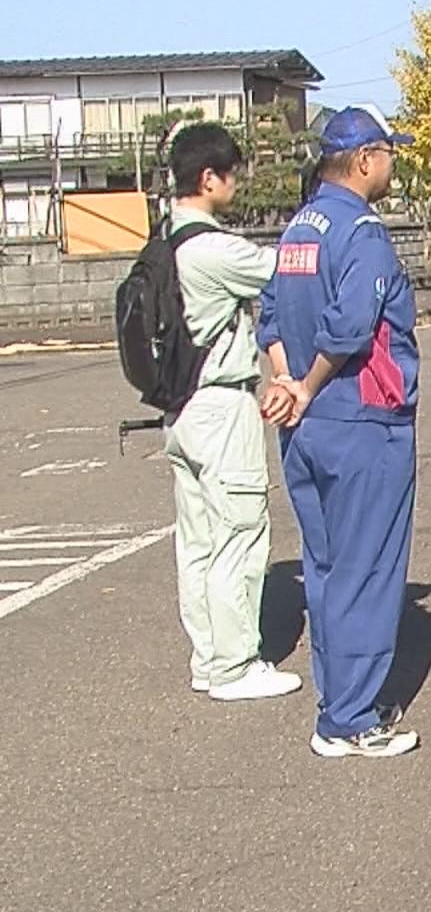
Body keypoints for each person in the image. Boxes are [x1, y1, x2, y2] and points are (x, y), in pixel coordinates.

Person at [257, 105, 421, 759]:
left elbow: (268, 317)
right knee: (369, 567)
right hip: (362, 419)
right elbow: (352, 327)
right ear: (363, 160)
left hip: (306, 426)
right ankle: (351, 717)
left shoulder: (299, 227)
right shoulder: (360, 232)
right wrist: (310, 382)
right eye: (388, 153)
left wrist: (286, 381)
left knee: (327, 568)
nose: (391, 164)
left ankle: (340, 698)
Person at [159, 122, 301, 702]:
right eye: (231, 173)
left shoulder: (164, 240)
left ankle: (208, 658)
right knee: (240, 531)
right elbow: (282, 271)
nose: (237, 183)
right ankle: (236, 664)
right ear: (208, 178)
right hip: (222, 399)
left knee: (195, 539)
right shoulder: (213, 249)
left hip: (179, 404)